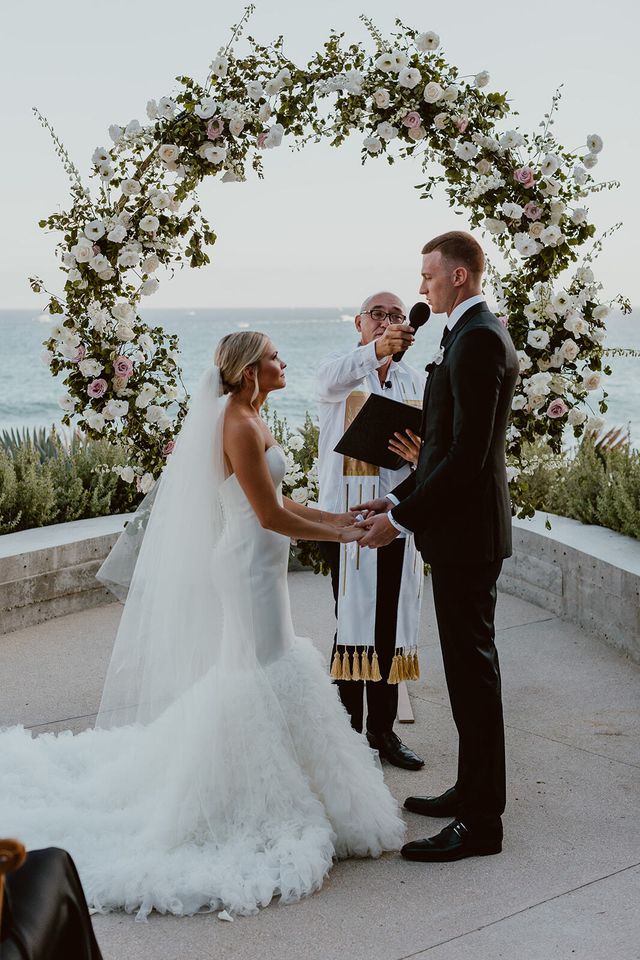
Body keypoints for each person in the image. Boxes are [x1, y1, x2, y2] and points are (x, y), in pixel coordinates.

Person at [0, 331, 405, 919]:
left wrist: (343, 519)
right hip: (247, 564)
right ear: (249, 372)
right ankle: (239, 791)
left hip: (263, 562)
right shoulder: (237, 425)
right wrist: (344, 535)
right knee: (257, 669)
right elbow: (268, 515)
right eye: (273, 356)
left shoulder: (252, 415)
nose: (283, 361)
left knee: (271, 664)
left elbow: (282, 503)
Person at [354, 232, 519, 862]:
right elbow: (443, 445)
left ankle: (482, 824)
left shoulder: (478, 339)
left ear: (458, 276)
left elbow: (468, 458)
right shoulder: (465, 333)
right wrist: (395, 498)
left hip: (468, 537)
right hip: (459, 533)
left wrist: (400, 520)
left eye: (427, 275)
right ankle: (471, 791)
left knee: (474, 678)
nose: (421, 286)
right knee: (466, 676)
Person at [316, 292, 426, 770]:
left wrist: (420, 455)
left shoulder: (415, 381)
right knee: (351, 621)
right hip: (347, 521)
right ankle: (348, 737)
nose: (387, 320)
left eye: (396, 315)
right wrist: (377, 351)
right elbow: (327, 381)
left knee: (390, 625)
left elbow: (431, 447)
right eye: (377, 314)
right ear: (359, 323)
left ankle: (383, 732)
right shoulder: (340, 372)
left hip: (397, 517)